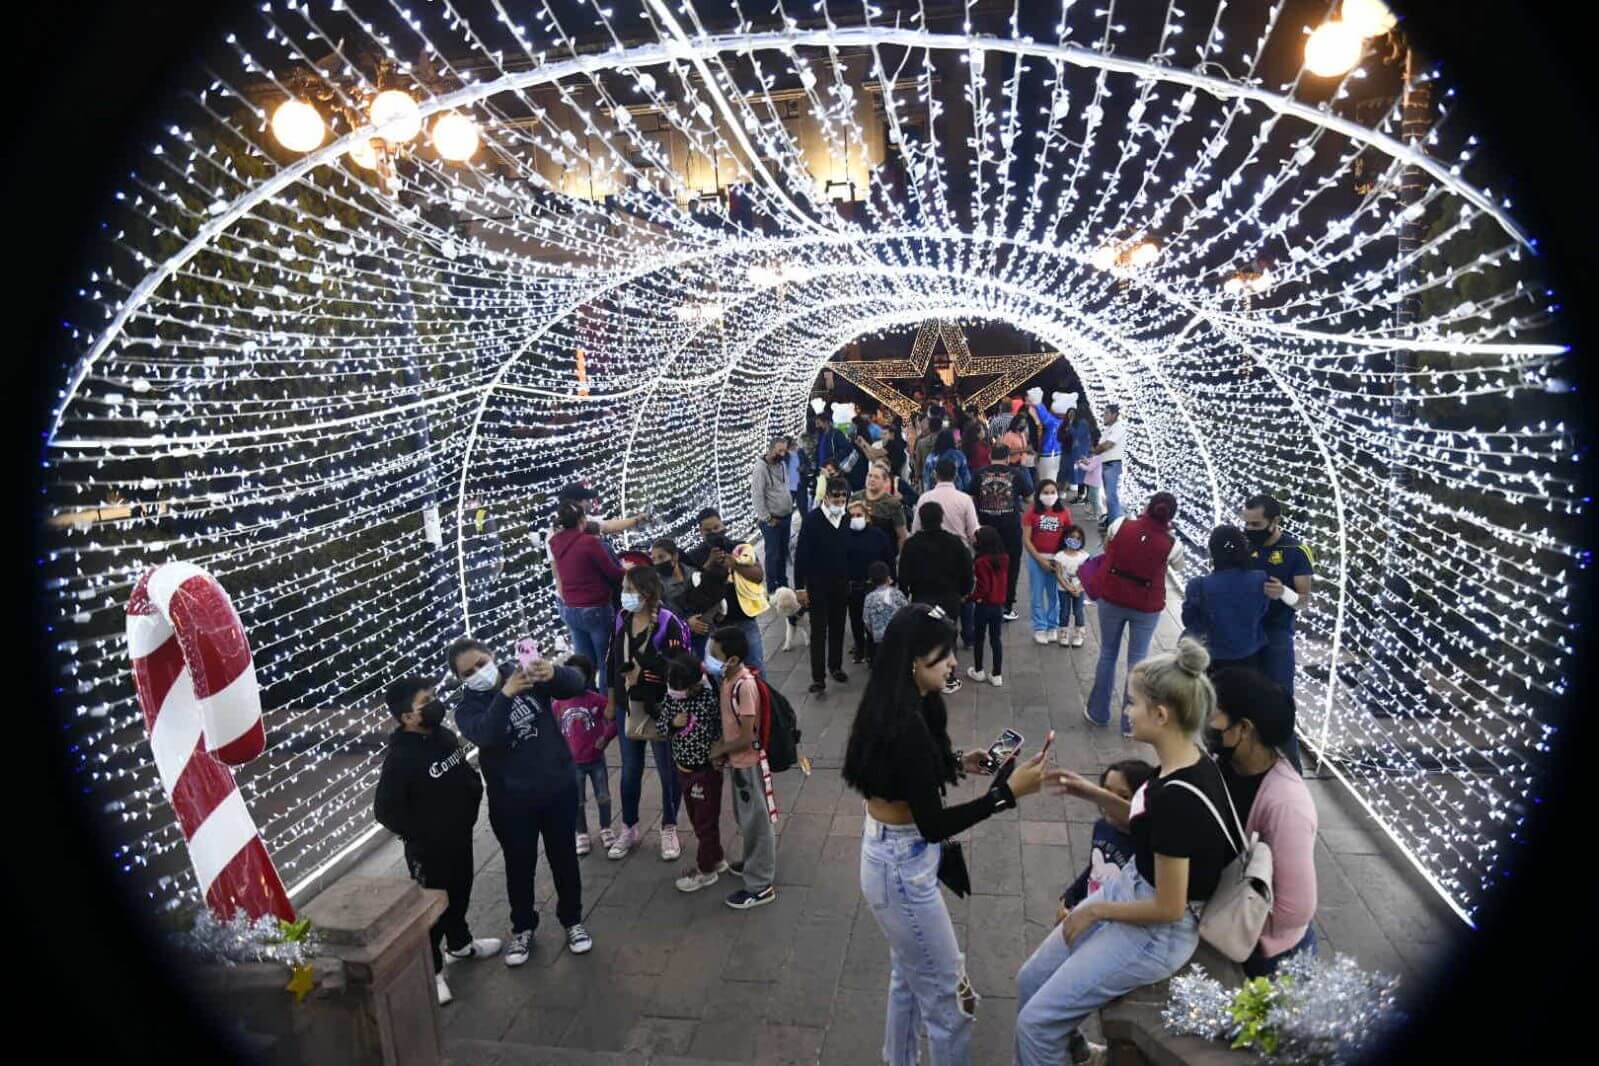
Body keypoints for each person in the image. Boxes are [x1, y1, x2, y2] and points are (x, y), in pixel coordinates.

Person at [843, 604, 1050, 1066]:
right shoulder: (906, 724)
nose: (954, 662)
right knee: (953, 1001)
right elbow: (934, 825)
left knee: (908, 976)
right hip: (901, 866)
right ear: (914, 661)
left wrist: (957, 763)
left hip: (890, 853)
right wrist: (1006, 795)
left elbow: (900, 777)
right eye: (943, 657)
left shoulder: (899, 702)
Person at [1018, 641, 1232, 1065]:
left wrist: (1092, 912)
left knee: (1035, 1024)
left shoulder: (1177, 797)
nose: (1127, 709)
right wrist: (1091, 792)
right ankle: (1077, 1055)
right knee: (1030, 982)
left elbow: (1169, 907)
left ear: (1161, 715)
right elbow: (1150, 825)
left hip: (1156, 931)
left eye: (1133, 702)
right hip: (1132, 888)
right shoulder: (1188, 762)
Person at [449, 639, 593, 963]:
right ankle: (523, 927)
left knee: (564, 859)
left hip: (556, 789)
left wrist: (553, 672)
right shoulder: (466, 709)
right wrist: (504, 695)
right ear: (460, 679)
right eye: (468, 672)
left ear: (493, 657)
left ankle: (572, 920)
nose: (478, 673)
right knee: (519, 865)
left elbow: (576, 684)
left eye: (481, 663)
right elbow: (487, 734)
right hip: (511, 802)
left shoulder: (526, 675)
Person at [376, 677, 501, 1005]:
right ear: (407, 717)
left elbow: (463, 770)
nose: (435, 703)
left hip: (460, 836)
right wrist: (420, 834)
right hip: (429, 850)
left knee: (460, 892)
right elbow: (385, 810)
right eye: (425, 701)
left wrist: (473, 791)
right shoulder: (400, 759)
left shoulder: (443, 736)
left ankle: (460, 944)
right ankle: (431, 971)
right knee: (431, 909)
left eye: (433, 696)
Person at [1207, 668, 1319, 978]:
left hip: (1273, 960)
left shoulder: (1287, 804)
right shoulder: (1225, 764)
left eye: (1214, 715)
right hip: (1235, 940)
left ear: (1244, 728)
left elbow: (1296, 909)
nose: (1207, 724)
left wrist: (1231, 918)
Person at [604, 565, 689, 861]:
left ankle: (669, 826)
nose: (624, 595)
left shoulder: (669, 623)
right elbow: (613, 660)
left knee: (668, 771)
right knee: (630, 770)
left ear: (647, 593)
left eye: (629, 589)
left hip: (660, 707)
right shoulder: (622, 618)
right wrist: (612, 699)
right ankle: (629, 826)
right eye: (624, 589)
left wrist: (646, 673)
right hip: (628, 707)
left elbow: (681, 668)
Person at [1088, 493, 1188, 736]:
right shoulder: (1172, 544)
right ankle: (1130, 722)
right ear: (1170, 516)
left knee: (1108, 654)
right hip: (1146, 604)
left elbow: (1110, 545)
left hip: (1112, 596)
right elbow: (1179, 567)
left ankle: (1098, 712)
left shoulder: (1120, 524)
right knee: (1138, 661)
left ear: (1147, 506)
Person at [706, 626, 778, 910]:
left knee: (757, 822)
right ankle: (753, 862)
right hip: (737, 762)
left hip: (748, 764)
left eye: (715, 654)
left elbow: (748, 735)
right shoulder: (728, 678)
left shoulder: (743, 685)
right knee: (745, 817)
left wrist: (721, 749)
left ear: (733, 659)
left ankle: (760, 885)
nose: (710, 659)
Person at [655, 653, 731, 894]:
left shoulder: (709, 700)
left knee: (705, 821)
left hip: (705, 771)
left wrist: (721, 755)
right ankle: (716, 858)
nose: (674, 691)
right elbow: (661, 728)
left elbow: (721, 730)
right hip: (683, 769)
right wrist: (672, 724)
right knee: (698, 818)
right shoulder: (670, 699)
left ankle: (705, 870)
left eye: (679, 688)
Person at [1054, 760, 1158, 909]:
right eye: (1106, 792)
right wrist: (1069, 898)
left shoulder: (1147, 847)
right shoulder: (1102, 827)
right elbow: (1094, 869)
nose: (1109, 802)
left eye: (1123, 797)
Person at [1241, 494, 1314, 706]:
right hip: (1242, 631)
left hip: (1276, 632)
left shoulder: (1296, 551)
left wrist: (1284, 593)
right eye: (1246, 523)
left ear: (1275, 522)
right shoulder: (1242, 545)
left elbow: (1304, 601)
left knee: (1278, 697)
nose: (1250, 529)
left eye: (1256, 524)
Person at [898, 501, 975, 695]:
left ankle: (924, 674)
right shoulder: (955, 542)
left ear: (921, 520)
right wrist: (964, 592)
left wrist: (905, 591)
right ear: (941, 519)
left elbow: (903, 573)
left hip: (922, 597)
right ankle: (948, 677)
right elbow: (967, 570)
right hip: (949, 597)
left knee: (923, 636)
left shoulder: (912, 544)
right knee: (948, 634)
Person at [1182, 526, 1279, 674]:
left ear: (1213, 551)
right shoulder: (1261, 579)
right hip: (1251, 655)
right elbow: (1263, 610)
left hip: (1211, 657)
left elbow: (1189, 620)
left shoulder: (1199, 585)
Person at [550, 501, 625, 690]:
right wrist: (628, 570)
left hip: (570, 609)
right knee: (606, 663)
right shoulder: (589, 542)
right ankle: (607, 708)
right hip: (596, 607)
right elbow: (612, 573)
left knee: (584, 665)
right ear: (582, 520)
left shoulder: (554, 542)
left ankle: (586, 708)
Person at [681, 508, 767, 672]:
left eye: (716, 527)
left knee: (755, 666)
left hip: (744, 619)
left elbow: (758, 576)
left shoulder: (740, 547)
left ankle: (761, 697)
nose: (713, 533)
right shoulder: (693, 556)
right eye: (707, 530)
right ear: (700, 532)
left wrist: (735, 565)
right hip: (714, 626)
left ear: (724, 526)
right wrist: (708, 565)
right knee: (720, 673)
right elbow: (690, 591)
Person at [794, 477, 855, 695]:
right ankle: (818, 677)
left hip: (840, 583)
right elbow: (801, 555)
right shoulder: (813, 520)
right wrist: (800, 587)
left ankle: (835, 666)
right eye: (835, 496)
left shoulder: (848, 519)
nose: (839, 500)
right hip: (817, 584)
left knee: (838, 627)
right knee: (819, 631)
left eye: (843, 496)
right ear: (826, 496)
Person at [553, 654, 616, 857]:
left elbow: (614, 719)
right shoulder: (558, 704)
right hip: (572, 764)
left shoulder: (595, 699)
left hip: (596, 760)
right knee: (577, 800)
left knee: (603, 796)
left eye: (580, 675)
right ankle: (581, 833)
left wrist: (605, 738)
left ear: (589, 677)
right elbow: (552, 728)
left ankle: (606, 828)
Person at [970, 441, 1031, 620]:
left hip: (986, 528)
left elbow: (970, 497)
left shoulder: (979, 474)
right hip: (1010, 528)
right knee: (1011, 566)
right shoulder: (1017, 474)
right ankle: (1006, 605)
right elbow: (1029, 498)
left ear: (990, 456)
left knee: (983, 564)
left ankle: (984, 598)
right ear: (1007, 458)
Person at [844, 497, 896, 665]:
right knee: (856, 620)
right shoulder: (844, 536)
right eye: (852, 516)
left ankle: (875, 652)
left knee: (877, 621)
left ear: (866, 516)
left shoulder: (878, 535)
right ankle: (860, 648)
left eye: (859, 515)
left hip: (876, 586)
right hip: (854, 587)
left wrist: (892, 579)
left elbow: (889, 558)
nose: (855, 518)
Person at [1021, 480, 1071, 645]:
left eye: (1053, 492)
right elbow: (1027, 540)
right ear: (1039, 494)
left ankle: (1052, 626)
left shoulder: (1064, 512)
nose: (1050, 496)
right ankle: (1040, 627)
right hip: (1037, 559)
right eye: (1046, 492)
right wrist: (1040, 559)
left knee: (1054, 594)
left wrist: (1062, 558)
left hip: (1057, 560)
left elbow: (1069, 536)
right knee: (1036, 595)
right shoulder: (1031, 513)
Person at [965, 526, 1009, 688]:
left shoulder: (981, 561)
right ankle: (997, 674)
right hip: (998, 605)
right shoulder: (1004, 558)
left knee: (979, 638)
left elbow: (982, 587)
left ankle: (978, 670)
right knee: (996, 639)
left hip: (984, 605)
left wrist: (970, 598)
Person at [752, 435, 795, 594]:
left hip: (786, 517)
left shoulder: (782, 464)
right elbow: (757, 496)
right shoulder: (760, 468)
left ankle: (782, 582)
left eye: (784, 451)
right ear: (770, 450)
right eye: (779, 451)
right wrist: (767, 518)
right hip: (772, 520)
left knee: (783, 552)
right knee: (773, 554)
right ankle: (772, 588)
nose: (783, 454)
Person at [912, 456, 980, 546]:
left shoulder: (925, 498)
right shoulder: (965, 499)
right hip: (959, 551)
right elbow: (973, 532)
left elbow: (916, 529)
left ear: (935, 474)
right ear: (955, 475)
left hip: (930, 551)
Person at [853, 461, 909, 560]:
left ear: (885, 481)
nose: (871, 479)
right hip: (858, 555)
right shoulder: (855, 498)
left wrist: (899, 559)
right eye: (869, 476)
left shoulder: (893, 504)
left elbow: (902, 535)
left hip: (884, 557)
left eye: (876, 477)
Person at [1052, 522, 1090, 648]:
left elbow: (1087, 575)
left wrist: (1078, 588)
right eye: (1072, 537)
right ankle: (1063, 633)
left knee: (1078, 611)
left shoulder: (1084, 556)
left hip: (1079, 589)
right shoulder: (1059, 556)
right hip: (1063, 589)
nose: (1075, 540)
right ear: (1066, 538)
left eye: (1078, 538)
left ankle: (1079, 634)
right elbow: (1059, 574)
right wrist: (1068, 588)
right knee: (1064, 611)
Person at [863, 560, 909, 663]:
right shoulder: (897, 594)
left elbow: (866, 619)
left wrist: (873, 631)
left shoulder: (870, 598)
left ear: (871, 580)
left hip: (879, 638)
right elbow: (906, 611)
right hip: (897, 635)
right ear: (888, 576)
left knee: (880, 663)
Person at [1090, 404, 1127, 525]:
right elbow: (1102, 445)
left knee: (1111, 497)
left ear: (1114, 415)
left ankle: (1115, 525)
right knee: (1108, 496)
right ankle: (1111, 523)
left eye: (1106, 413)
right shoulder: (1108, 429)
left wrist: (1095, 450)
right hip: (1106, 464)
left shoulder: (1118, 427)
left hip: (1112, 465)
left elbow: (1107, 445)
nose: (1103, 416)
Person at [650, 537, 695, 620]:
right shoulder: (657, 584)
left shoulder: (692, 573)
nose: (657, 562)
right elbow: (663, 615)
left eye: (661, 557)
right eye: (654, 559)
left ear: (675, 556)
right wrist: (687, 623)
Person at [1028, 387, 1065, 488]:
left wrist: (1038, 403)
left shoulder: (1055, 423)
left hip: (1049, 454)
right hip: (1054, 453)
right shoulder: (1063, 422)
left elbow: (1045, 417)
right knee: (1049, 479)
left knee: (1047, 481)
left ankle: (1048, 499)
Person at [920, 428, 971, 493]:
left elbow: (926, 478)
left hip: (935, 493)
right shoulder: (959, 456)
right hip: (956, 492)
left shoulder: (931, 457)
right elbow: (966, 478)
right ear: (952, 441)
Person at [1065, 408, 1093, 503]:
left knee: (1083, 475)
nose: (1071, 415)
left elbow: (1077, 434)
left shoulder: (1082, 423)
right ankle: (1081, 495)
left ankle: (1086, 497)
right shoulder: (1077, 423)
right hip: (1077, 452)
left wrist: (1070, 425)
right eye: (1069, 413)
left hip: (1083, 453)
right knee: (1080, 475)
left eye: (1073, 413)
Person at [1075, 450, 1105, 524]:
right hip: (1093, 481)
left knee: (1094, 498)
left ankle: (1096, 514)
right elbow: (1090, 463)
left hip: (1095, 482)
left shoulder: (1099, 458)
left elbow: (1089, 468)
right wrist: (1085, 460)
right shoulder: (1097, 457)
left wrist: (1080, 464)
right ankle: (1094, 510)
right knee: (1091, 497)